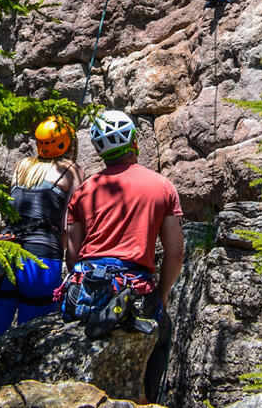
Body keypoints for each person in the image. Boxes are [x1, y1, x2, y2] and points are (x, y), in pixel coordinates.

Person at [66, 110, 185, 403]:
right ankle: (146, 399)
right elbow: (176, 252)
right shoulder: (161, 186)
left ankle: (98, 307)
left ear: (99, 149)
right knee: (162, 332)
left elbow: (71, 253)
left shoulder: (82, 192)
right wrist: (163, 294)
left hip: (86, 283)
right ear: (133, 141)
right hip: (135, 281)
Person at [0, 116, 83, 359]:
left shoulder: (23, 166)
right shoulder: (72, 171)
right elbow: (69, 223)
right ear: (67, 143)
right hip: (40, 258)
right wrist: (67, 259)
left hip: (3, 251)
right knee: (34, 343)